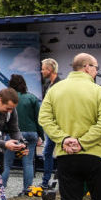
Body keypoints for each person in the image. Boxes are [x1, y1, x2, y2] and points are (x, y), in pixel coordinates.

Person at [38, 52, 101, 200]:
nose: (97, 71)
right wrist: (82, 142)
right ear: (87, 67)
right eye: (96, 68)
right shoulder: (98, 91)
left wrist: (63, 139)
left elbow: (44, 118)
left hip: (66, 156)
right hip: (95, 155)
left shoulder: (55, 89)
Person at [7, 74, 41, 192]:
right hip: (31, 133)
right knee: (28, 164)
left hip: (13, 134)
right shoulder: (32, 98)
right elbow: (38, 118)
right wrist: (40, 135)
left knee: (6, 164)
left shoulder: (8, 99)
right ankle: (27, 190)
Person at [39, 58, 62, 187]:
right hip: (49, 125)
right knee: (47, 152)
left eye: (43, 69)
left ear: (50, 69)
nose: (41, 71)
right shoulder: (48, 84)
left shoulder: (60, 85)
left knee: (57, 152)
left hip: (57, 126)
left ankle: (54, 180)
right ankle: (46, 181)